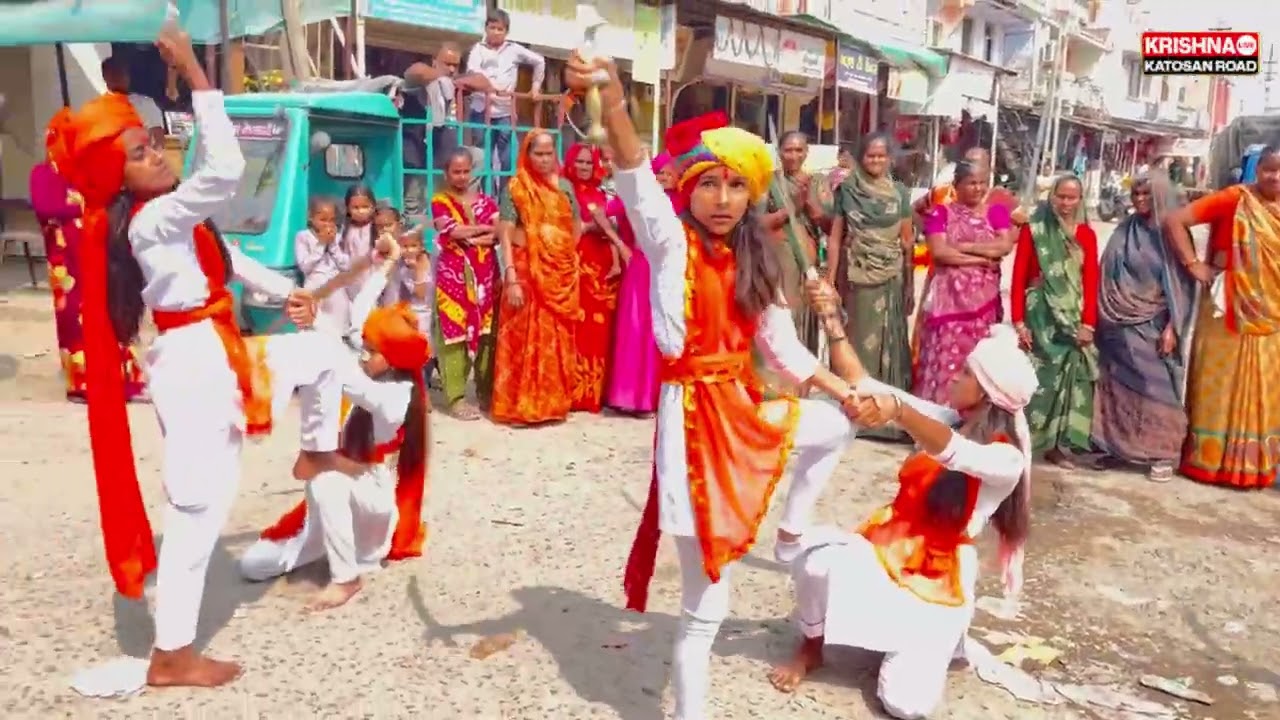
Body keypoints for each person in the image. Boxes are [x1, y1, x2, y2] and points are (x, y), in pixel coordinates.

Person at [50, 28, 356, 686]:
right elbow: (225, 172)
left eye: (149, 142)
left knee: (324, 354)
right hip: (195, 366)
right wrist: (193, 68)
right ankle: (171, 654)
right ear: (119, 177)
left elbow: (231, 261)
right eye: (138, 154)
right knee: (197, 514)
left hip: (215, 353)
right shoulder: (149, 221)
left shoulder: (169, 212)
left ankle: (316, 447)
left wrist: (290, 290)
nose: (155, 155)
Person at [563, 56, 857, 720]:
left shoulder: (757, 258)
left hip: (743, 413)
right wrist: (610, 91)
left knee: (838, 426)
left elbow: (783, 349)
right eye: (709, 185)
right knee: (707, 605)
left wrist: (846, 389)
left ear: (750, 197)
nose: (722, 200)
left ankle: (791, 532)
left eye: (734, 188)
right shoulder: (668, 242)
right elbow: (635, 171)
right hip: (692, 430)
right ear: (689, 190)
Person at [769, 291, 1034, 720]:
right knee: (814, 562)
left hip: (940, 578)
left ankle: (930, 640)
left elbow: (955, 453)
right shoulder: (946, 419)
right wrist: (831, 318)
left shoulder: (1006, 459)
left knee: (904, 705)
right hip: (890, 548)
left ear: (986, 394)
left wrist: (899, 412)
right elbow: (862, 381)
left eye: (966, 372)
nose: (955, 374)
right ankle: (812, 646)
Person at [240, 242, 431, 610]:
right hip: (334, 499)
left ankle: (347, 578)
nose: (361, 350)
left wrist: (320, 330)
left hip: (370, 502)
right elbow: (359, 316)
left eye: (370, 349)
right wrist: (384, 265)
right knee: (252, 565)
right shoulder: (367, 367)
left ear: (390, 360)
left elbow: (347, 372)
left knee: (326, 479)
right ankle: (323, 545)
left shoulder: (397, 397)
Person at [1164, 145, 1280, 489]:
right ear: (1256, 171)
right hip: (1226, 307)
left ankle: (1255, 465)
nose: (1275, 177)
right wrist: (1192, 263)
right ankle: (1209, 463)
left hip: (1272, 312)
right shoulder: (1235, 198)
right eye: (1269, 169)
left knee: (1265, 385)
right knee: (1221, 384)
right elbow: (1176, 220)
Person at [1092, 175, 1194, 482]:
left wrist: (1173, 328)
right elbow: (1106, 270)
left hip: (1154, 324)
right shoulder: (1127, 228)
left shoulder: (1173, 232)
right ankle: (1119, 449)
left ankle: (1162, 453)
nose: (1138, 198)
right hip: (1117, 322)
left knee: (1157, 388)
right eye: (1135, 192)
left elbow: (1182, 285)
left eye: (1146, 193)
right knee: (1118, 386)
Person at [29, 155, 147, 403]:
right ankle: (83, 383)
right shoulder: (43, 173)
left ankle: (122, 379)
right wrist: (86, 206)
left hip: (101, 252)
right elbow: (46, 208)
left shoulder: (91, 171)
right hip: (67, 261)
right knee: (75, 320)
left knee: (111, 312)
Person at [825, 132, 914, 440]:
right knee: (861, 340)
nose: (875, 161)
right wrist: (829, 281)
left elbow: (906, 241)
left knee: (891, 342)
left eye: (881, 156)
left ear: (889, 158)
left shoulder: (901, 193)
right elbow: (835, 238)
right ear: (861, 158)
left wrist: (910, 286)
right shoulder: (848, 190)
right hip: (859, 274)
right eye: (870, 156)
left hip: (892, 274)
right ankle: (857, 410)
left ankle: (888, 414)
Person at [490, 130, 580, 425]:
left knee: (555, 337)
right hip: (525, 271)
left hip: (558, 273)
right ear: (526, 155)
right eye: (537, 154)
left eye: (548, 153)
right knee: (522, 337)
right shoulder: (515, 188)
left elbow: (575, 227)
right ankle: (521, 405)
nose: (543, 159)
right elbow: (504, 234)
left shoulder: (565, 187)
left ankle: (552, 404)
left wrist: (562, 256)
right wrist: (511, 276)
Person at [1010, 175, 1100, 468]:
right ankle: (1022, 442)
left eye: (1072, 197)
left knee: (1067, 379)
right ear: (1052, 197)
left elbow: (1090, 281)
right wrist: (1019, 322)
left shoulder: (1087, 235)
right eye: (1060, 196)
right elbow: (1019, 276)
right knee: (1035, 380)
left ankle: (1058, 447)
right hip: (1039, 317)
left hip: (1071, 319)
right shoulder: (1034, 229)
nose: (1065, 203)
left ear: (1080, 199)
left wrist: (1088, 324)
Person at [913, 161, 1013, 405]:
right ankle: (936, 424)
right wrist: (983, 258)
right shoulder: (941, 213)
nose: (978, 188)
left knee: (978, 363)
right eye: (971, 183)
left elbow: (1005, 245)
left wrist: (965, 248)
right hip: (950, 307)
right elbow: (939, 252)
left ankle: (973, 425)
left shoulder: (996, 212)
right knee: (945, 360)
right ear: (957, 185)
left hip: (984, 308)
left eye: (982, 182)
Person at [431, 148, 501, 419]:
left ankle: (485, 393)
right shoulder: (440, 201)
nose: (461, 177)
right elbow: (450, 230)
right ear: (446, 174)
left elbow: (498, 231)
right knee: (453, 334)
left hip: (486, 276)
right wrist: (479, 232)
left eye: (465, 171)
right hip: (454, 279)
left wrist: (471, 237)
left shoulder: (487, 202)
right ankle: (456, 398)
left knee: (487, 334)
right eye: (455, 172)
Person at [566, 142, 628, 413]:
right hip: (577, 264)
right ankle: (574, 392)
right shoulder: (563, 191)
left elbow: (611, 224)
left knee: (601, 329)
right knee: (577, 327)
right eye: (579, 162)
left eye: (588, 163)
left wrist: (596, 227)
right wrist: (596, 226)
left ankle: (596, 392)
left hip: (603, 267)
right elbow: (570, 227)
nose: (583, 167)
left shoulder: (602, 194)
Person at [605, 151, 668, 416]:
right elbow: (605, 212)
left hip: (668, 271)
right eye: (660, 174)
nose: (665, 178)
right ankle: (628, 397)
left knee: (659, 332)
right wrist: (621, 245)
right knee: (635, 328)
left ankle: (653, 398)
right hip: (641, 267)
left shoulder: (683, 202)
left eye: (669, 173)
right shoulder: (642, 199)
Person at [465, 10, 546, 176]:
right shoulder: (477, 50)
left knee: (509, 159)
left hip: (504, 112)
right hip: (481, 109)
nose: (495, 32)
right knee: (481, 158)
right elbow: (474, 74)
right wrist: (492, 88)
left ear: (506, 32)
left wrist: (535, 87)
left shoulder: (513, 49)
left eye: (500, 29)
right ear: (486, 28)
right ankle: (485, 198)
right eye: (492, 27)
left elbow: (539, 61)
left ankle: (505, 198)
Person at [763, 130, 821, 357]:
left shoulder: (816, 182)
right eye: (788, 150)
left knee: (806, 319)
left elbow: (826, 222)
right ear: (779, 152)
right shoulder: (769, 183)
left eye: (799, 150)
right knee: (785, 315)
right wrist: (789, 209)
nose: (794, 155)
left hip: (807, 264)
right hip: (780, 258)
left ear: (807, 152)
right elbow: (758, 223)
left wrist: (809, 203)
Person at [400, 43, 461, 216]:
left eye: (455, 65)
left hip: (441, 153)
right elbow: (413, 71)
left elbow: (484, 82)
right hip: (415, 149)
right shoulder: (423, 78)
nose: (451, 69)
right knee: (413, 199)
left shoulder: (451, 85)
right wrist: (438, 78)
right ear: (434, 62)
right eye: (446, 63)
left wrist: (455, 81)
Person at [295, 197, 351, 335]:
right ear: (311, 218)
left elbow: (345, 265)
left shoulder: (338, 237)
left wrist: (332, 246)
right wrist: (321, 244)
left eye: (331, 220)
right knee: (312, 324)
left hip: (335, 286)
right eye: (323, 220)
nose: (328, 224)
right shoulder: (303, 237)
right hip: (314, 286)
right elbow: (305, 266)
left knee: (339, 325)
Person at [102, 55, 165, 149]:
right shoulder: (99, 108)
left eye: (120, 73)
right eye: (112, 74)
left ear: (127, 75)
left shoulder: (145, 104)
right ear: (105, 78)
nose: (117, 78)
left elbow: (158, 141)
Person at [340, 184, 379, 297]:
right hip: (351, 281)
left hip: (371, 279)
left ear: (373, 206)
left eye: (365, 207)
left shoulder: (376, 227)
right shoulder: (345, 229)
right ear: (348, 208)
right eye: (355, 207)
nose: (360, 211)